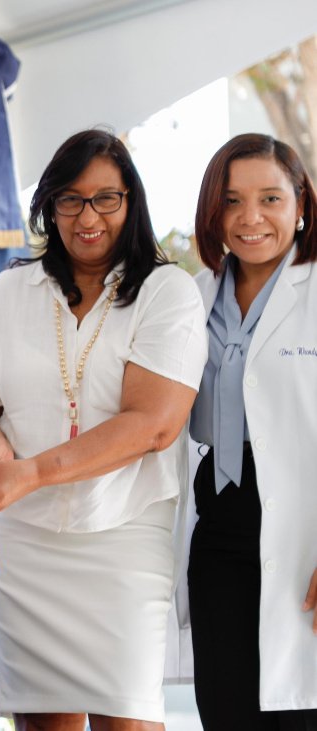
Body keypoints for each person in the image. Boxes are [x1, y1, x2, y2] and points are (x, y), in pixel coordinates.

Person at [0, 129, 207, 730]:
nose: (87, 217)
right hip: (20, 541)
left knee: (127, 716)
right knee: (42, 721)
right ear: (49, 206)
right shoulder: (10, 290)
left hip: (124, 533)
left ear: (130, 201)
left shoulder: (166, 292)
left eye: (105, 199)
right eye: (69, 199)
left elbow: (152, 426)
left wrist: (30, 472)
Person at [186, 133, 317, 730]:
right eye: (232, 201)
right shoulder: (192, 296)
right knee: (227, 709)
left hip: (304, 523)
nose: (250, 218)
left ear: (301, 205)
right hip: (220, 519)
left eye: (270, 199)